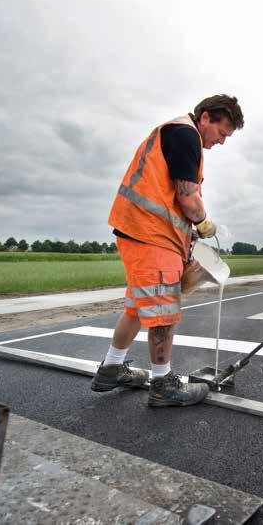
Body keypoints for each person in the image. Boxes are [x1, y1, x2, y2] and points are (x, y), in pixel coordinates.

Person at [92, 94, 244, 407]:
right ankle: (163, 384)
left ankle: (111, 368)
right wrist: (204, 223)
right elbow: (187, 199)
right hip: (150, 235)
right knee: (163, 313)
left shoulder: (178, 134)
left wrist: (188, 237)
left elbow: (172, 199)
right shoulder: (186, 134)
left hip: (144, 231)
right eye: (222, 133)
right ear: (206, 118)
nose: (222, 141)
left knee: (138, 307)